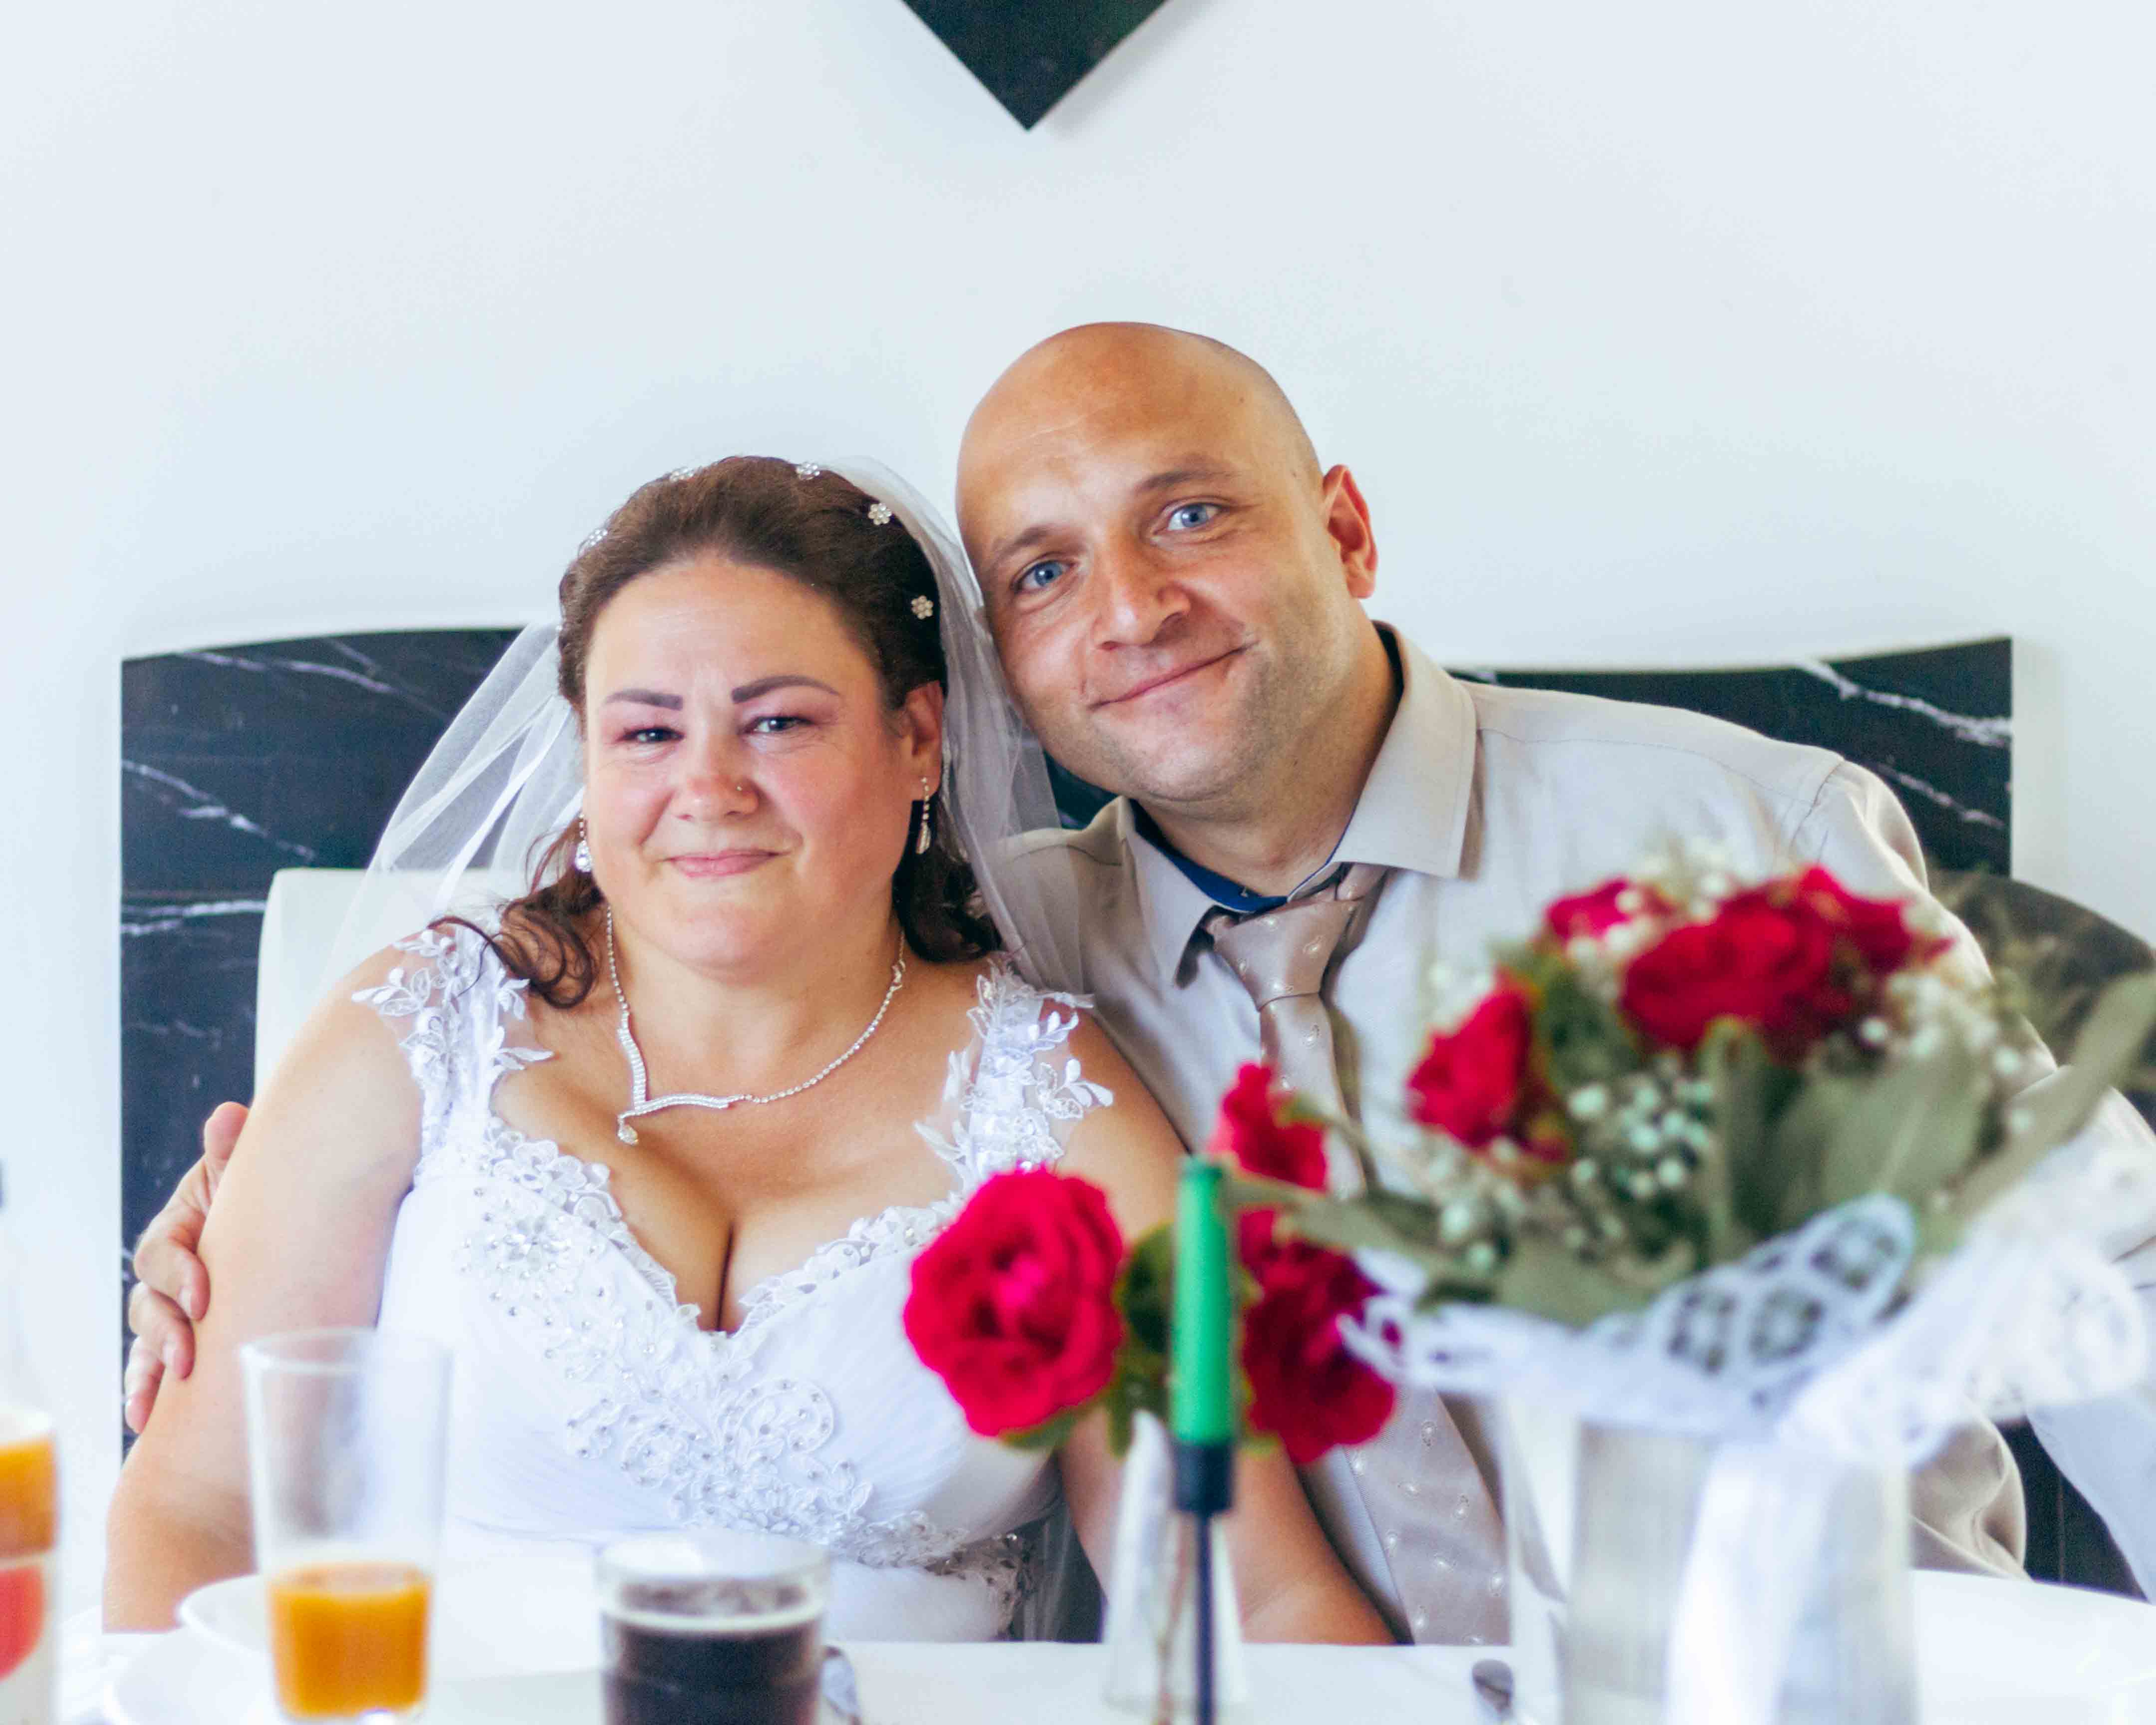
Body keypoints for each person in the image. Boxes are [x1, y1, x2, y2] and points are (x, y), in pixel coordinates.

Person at [131, 326, 2156, 1635]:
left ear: (1344, 527)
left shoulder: (1738, 839)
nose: (1132, 609)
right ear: (998, 672)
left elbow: (2110, 1291)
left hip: (1798, 1667)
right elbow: (228, 1472)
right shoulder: (1032, 940)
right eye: (1044, 569)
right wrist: (234, 1205)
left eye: (1192, 515)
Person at [105, 455, 1391, 1645]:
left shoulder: (1055, 1106)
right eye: (647, 732)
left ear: (919, 737)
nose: (709, 788)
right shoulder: (421, 1033)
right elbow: (196, 1513)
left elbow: (1253, 1594)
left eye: (778, 723)